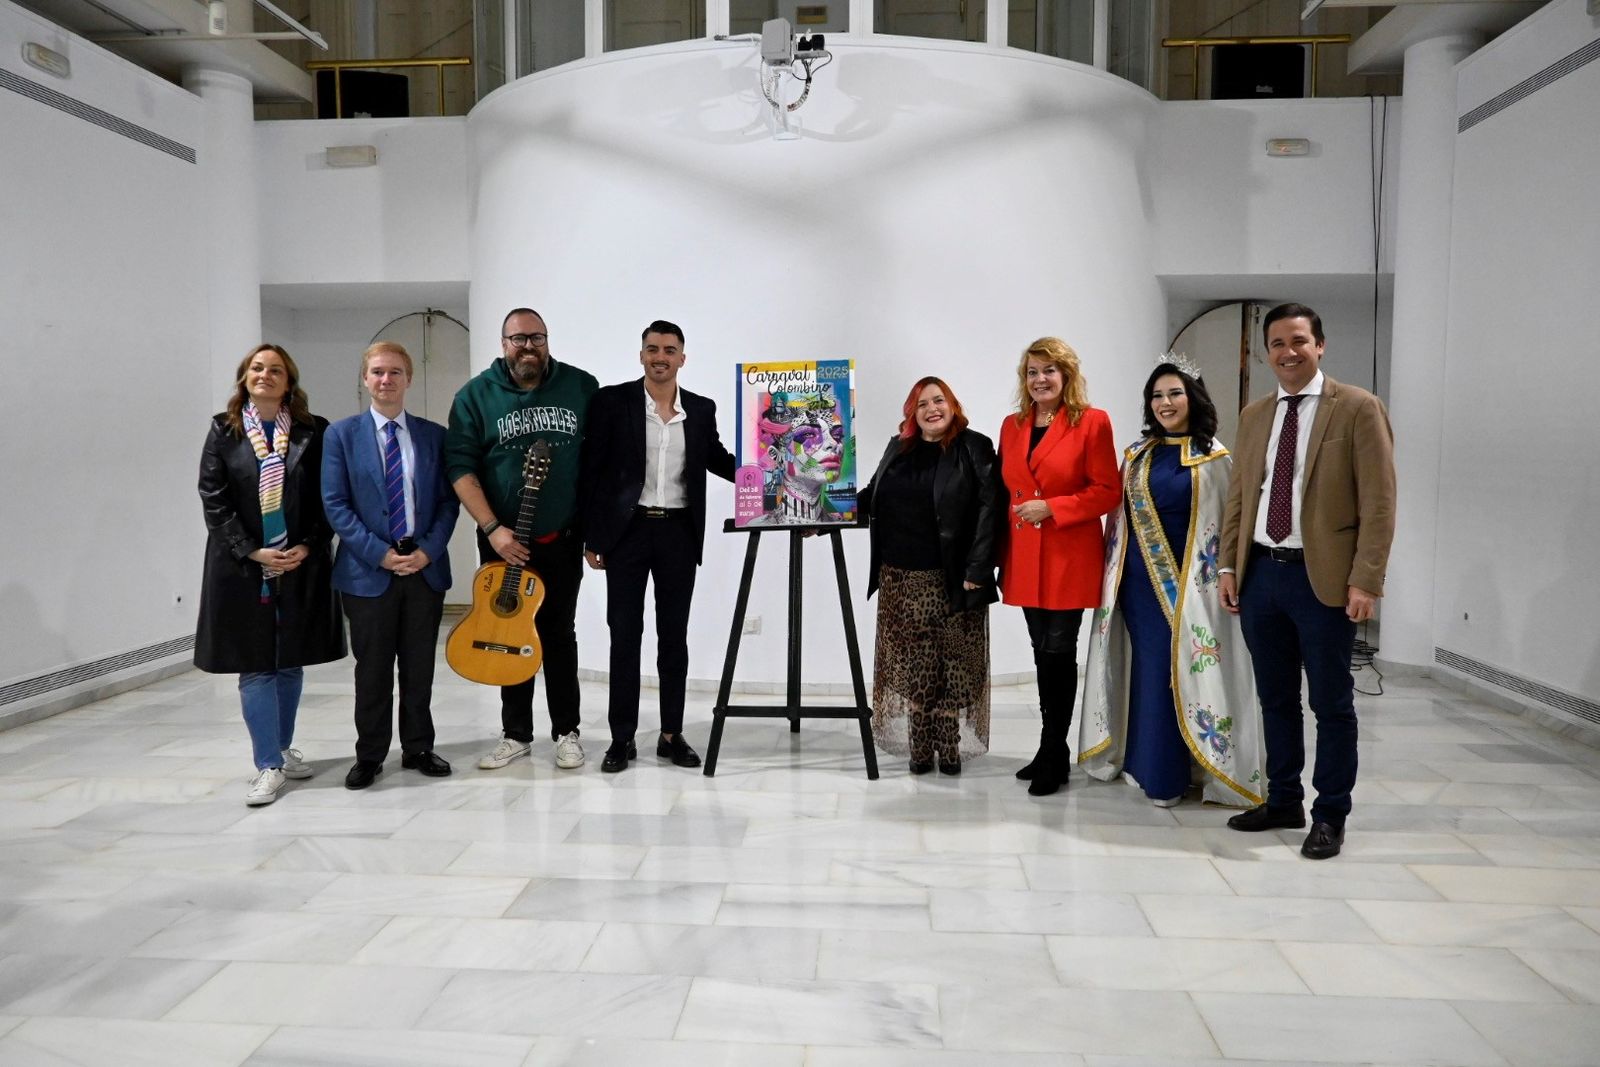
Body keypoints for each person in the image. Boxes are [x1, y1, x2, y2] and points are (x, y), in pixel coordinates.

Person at [1219, 303, 1397, 860]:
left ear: (1319, 345)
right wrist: (1229, 565)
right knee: (1275, 699)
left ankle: (1330, 813)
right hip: (1261, 578)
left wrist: (1366, 580)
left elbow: (1380, 502)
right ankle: (1283, 799)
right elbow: (1242, 496)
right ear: (1265, 352)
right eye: (1276, 343)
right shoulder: (1254, 415)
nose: (1288, 352)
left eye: (1299, 340)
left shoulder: (1358, 408)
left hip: (1324, 582)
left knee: (1332, 704)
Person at [1078, 360, 1263, 807]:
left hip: (1190, 592)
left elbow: (1227, 526)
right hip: (1136, 587)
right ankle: (1145, 765)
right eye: (1157, 396)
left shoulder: (1214, 459)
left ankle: (1173, 775)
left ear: (1193, 398)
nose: (1165, 403)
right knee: (1146, 671)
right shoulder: (1136, 454)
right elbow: (1118, 525)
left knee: (1176, 672)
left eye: (1174, 394)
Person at [581, 320, 738, 773]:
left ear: (682, 359)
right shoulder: (613, 402)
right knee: (624, 636)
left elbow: (718, 460)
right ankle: (621, 738)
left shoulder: (702, 409)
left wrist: (770, 477)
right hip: (626, 534)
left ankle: (672, 734)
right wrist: (593, 536)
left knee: (674, 638)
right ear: (642, 355)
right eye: (652, 348)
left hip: (677, 534)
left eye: (670, 350)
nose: (660, 357)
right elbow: (593, 470)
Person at [445, 308, 598, 772]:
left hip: (562, 537)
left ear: (547, 341)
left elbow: (599, 461)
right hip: (501, 540)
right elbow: (460, 468)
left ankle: (567, 731)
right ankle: (515, 734)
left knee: (558, 634)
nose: (527, 346)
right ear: (503, 343)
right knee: (505, 632)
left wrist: (595, 531)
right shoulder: (474, 396)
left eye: (537, 338)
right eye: (518, 339)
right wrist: (494, 529)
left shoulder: (580, 387)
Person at [195, 344, 345, 806]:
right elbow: (213, 499)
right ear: (244, 377)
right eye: (257, 368)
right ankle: (267, 764)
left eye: (275, 369)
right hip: (242, 566)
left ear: (289, 381)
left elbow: (328, 497)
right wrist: (252, 550)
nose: (265, 375)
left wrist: (308, 545)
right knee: (256, 664)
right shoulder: (224, 430)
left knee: (289, 659)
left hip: (298, 563)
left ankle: (281, 747)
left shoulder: (312, 431)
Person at [322, 341, 460, 790]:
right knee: (373, 670)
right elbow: (336, 505)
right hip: (367, 575)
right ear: (365, 379)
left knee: (419, 668)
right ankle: (370, 755)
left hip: (424, 571)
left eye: (395, 372)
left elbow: (446, 504)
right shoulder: (340, 436)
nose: (386, 380)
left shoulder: (434, 436)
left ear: (409, 379)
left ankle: (418, 747)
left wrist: (427, 551)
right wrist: (380, 554)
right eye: (378, 372)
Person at [997, 337, 1120, 796]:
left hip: (1069, 555)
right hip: (1025, 556)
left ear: (1067, 375)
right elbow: (1004, 490)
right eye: (1032, 371)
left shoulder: (1092, 423)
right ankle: (1050, 749)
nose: (1040, 379)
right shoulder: (1013, 426)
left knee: (1058, 651)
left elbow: (1108, 490)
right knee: (1041, 650)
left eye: (1049, 370)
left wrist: (1053, 507)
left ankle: (1055, 750)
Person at [863, 376, 1000, 774]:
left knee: (952, 665)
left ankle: (949, 745)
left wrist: (978, 568)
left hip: (953, 577)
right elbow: (870, 496)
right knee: (914, 665)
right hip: (900, 580)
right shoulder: (897, 447)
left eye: (938, 400)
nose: (931, 409)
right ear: (912, 412)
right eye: (921, 404)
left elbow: (990, 508)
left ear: (952, 404)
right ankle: (920, 746)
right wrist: (824, 518)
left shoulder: (973, 446)